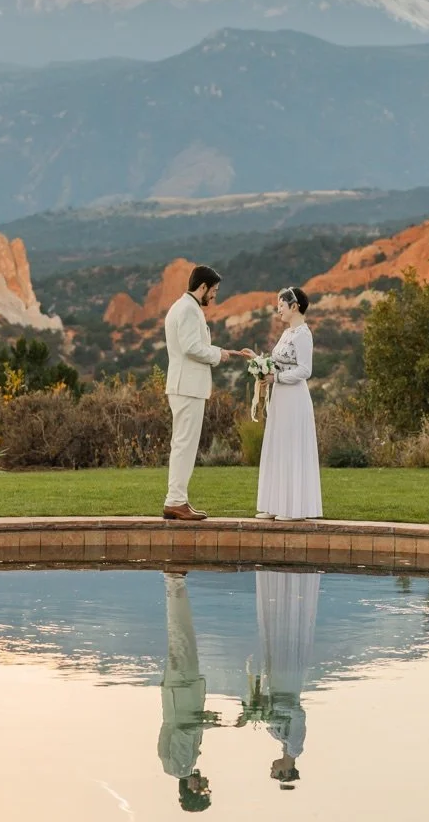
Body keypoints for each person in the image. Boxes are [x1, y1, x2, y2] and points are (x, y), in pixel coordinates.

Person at [164, 265, 252, 521]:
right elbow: (191, 348)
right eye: (213, 290)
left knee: (183, 444)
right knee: (184, 444)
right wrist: (218, 355)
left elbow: (191, 345)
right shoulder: (189, 310)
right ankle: (176, 501)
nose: (214, 296)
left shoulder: (181, 307)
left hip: (184, 386)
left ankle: (178, 500)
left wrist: (222, 351)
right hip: (187, 387)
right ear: (202, 287)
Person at [255, 287, 322, 522]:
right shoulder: (286, 333)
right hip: (280, 397)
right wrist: (258, 362)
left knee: (292, 447)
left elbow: (305, 370)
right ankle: (274, 504)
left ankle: (293, 509)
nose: (278, 309)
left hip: (294, 397)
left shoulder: (303, 334)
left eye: (281, 305)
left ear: (294, 307)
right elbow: (276, 361)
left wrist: (277, 378)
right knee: (278, 446)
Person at [255, 569, 320, 790]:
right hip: (288, 686)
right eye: (275, 773)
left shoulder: (281, 740)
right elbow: (298, 713)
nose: (271, 769)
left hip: (277, 687)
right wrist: (275, 706)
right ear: (286, 771)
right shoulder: (295, 745)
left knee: (275, 651)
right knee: (285, 651)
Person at [159, 572, 216, 812]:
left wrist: (210, 722)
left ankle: (174, 580)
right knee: (180, 635)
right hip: (177, 692)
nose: (207, 782)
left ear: (192, 788)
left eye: (203, 788)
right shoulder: (177, 768)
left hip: (183, 692)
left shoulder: (182, 767)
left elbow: (183, 732)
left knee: (182, 634)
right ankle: (174, 582)